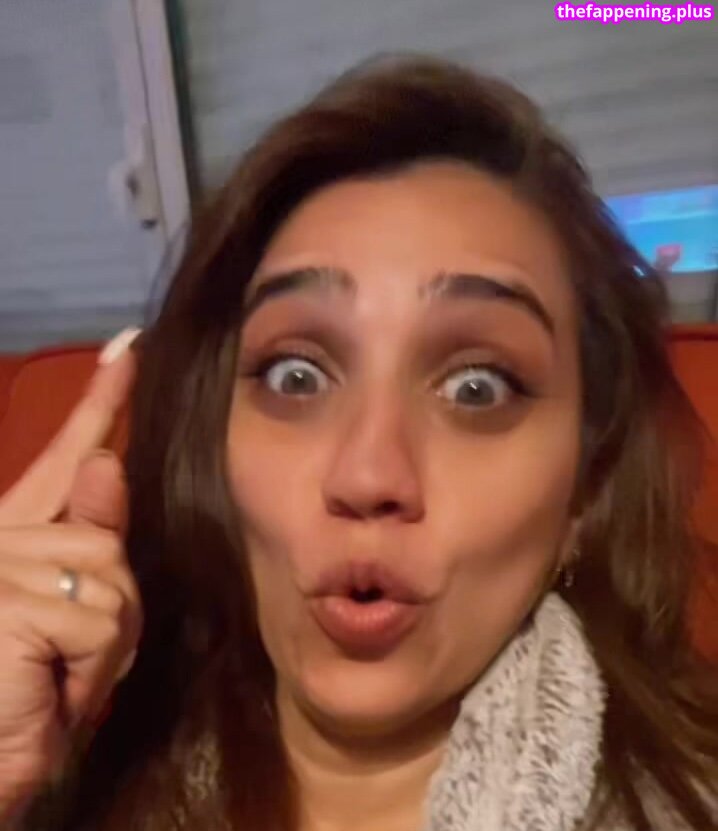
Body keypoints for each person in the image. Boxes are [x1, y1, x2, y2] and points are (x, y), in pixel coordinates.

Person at [0, 55, 716, 831]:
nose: (368, 474)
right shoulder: (66, 772)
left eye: (477, 388)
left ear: (583, 488)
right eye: (297, 376)